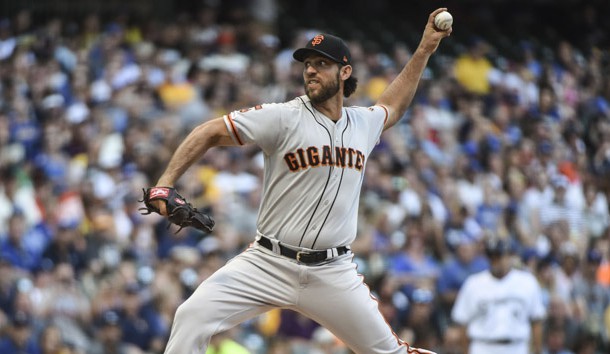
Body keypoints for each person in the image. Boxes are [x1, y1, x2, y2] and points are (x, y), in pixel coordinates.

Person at [147, 8, 451, 354]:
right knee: (192, 316)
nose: (311, 70)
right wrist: (165, 182)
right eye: (307, 63)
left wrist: (425, 49)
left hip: (332, 272)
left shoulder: (362, 123)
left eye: (322, 63)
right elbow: (210, 131)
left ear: (345, 71)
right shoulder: (283, 117)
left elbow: (392, 106)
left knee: (392, 352)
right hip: (268, 261)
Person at [451, 237, 546, 354]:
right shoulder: (473, 283)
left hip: (517, 346)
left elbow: (536, 321)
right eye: (492, 257)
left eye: (500, 256)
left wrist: (537, 350)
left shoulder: (527, 281)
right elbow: (462, 323)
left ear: (509, 256)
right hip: (483, 346)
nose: (496, 261)